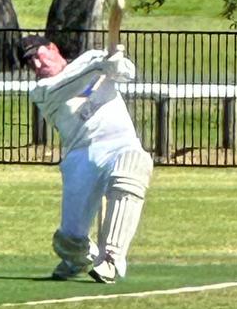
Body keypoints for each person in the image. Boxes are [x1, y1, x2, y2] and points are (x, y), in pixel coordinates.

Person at [19, 35, 153, 283]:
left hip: (120, 142)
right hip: (81, 156)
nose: (37, 66)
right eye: (30, 64)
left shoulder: (92, 59)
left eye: (38, 56)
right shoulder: (42, 91)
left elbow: (127, 73)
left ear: (53, 48)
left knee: (133, 170)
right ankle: (78, 258)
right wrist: (102, 64)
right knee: (68, 240)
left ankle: (111, 260)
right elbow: (71, 84)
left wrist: (116, 62)